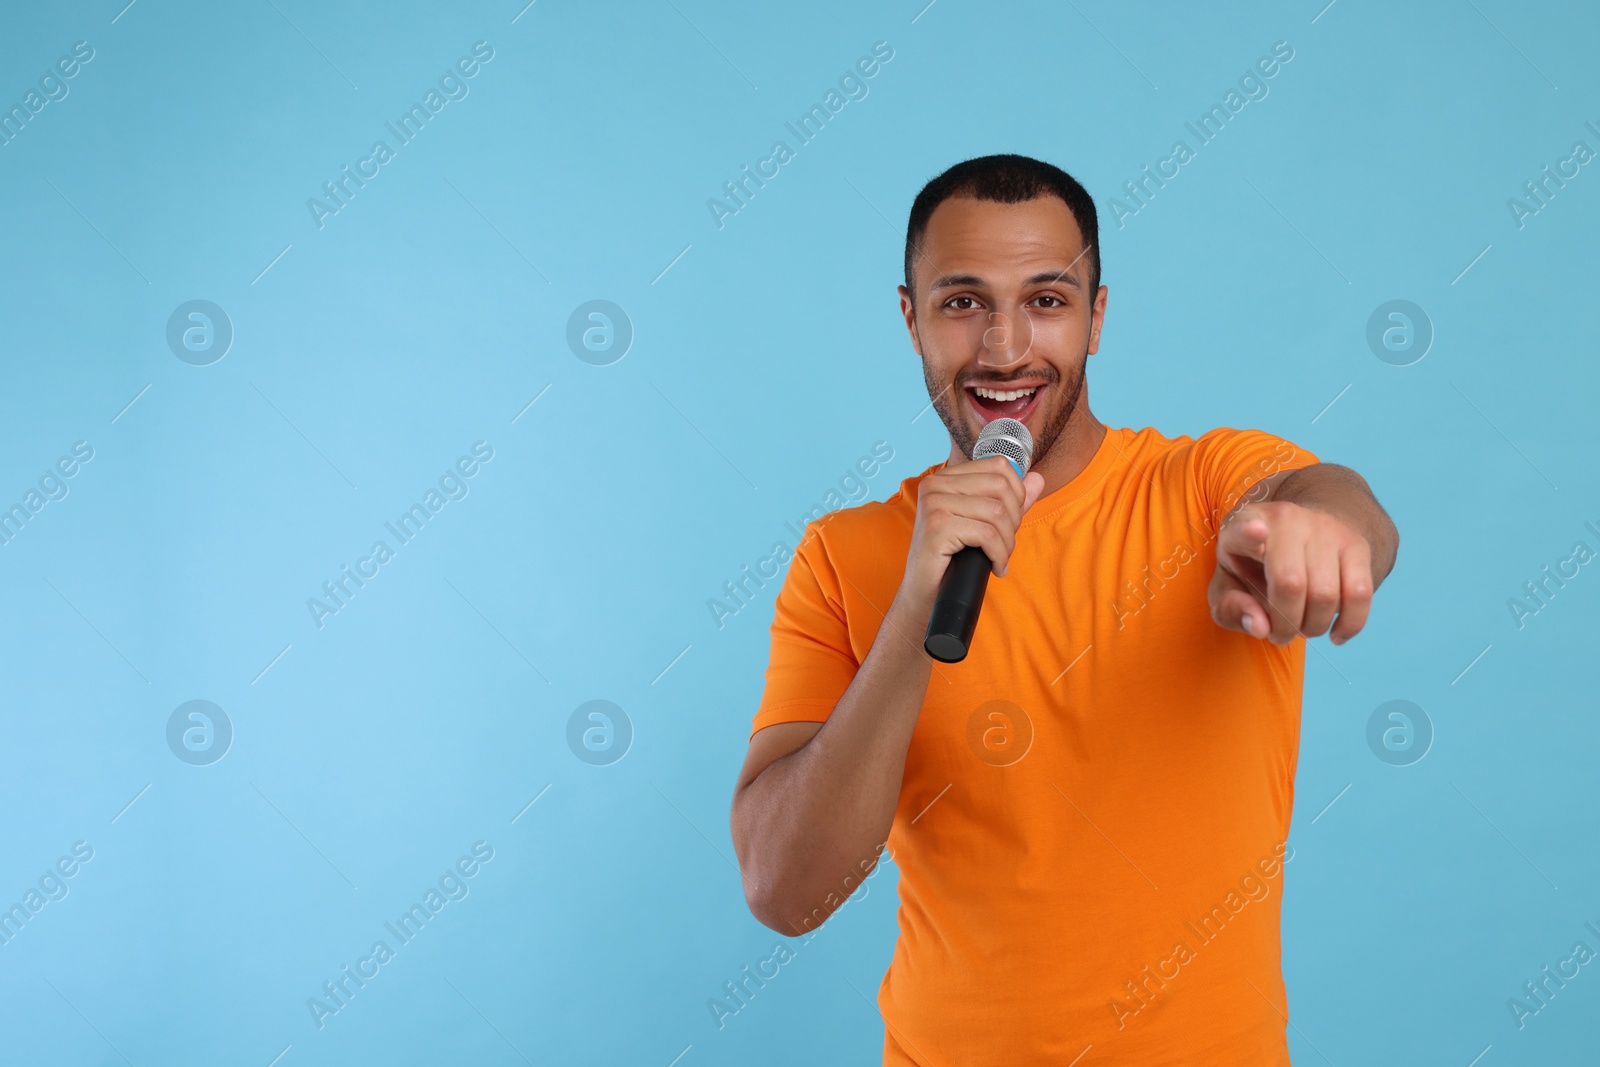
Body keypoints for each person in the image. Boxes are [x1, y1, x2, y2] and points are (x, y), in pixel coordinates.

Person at [728, 153, 1398, 1065]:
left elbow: (1327, 492)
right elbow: (784, 889)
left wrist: (1324, 533)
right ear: (910, 318)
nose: (1005, 349)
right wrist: (915, 607)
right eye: (963, 302)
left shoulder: (1200, 489)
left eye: (1047, 300)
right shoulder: (842, 555)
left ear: (1097, 319)